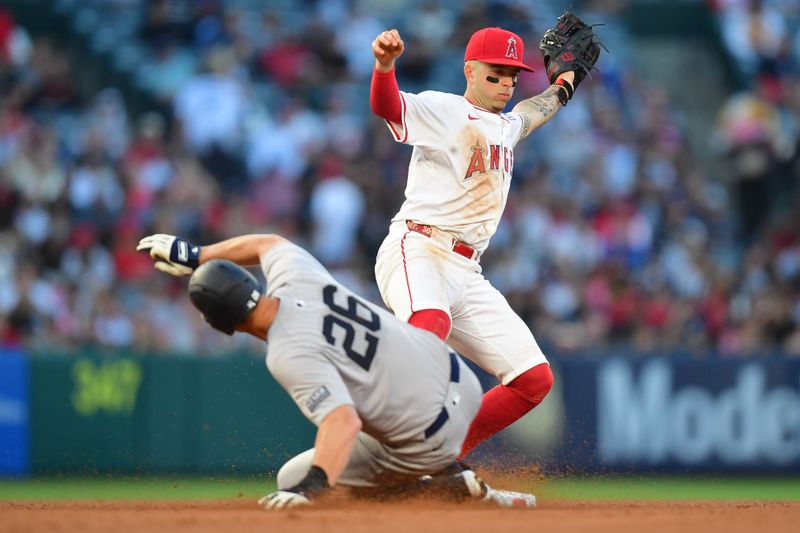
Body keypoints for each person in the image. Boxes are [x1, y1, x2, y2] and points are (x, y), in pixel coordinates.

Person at [136, 232, 537, 508]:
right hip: (462, 382)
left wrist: (310, 488)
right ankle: (451, 475)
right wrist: (196, 255)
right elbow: (268, 243)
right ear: (249, 281)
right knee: (377, 400)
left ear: (221, 326)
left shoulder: (288, 352)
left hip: (431, 438)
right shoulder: (296, 276)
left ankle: (439, 485)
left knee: (293, 476)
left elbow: (342, 422)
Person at [369, 25, 588, 458]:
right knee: (430, 326)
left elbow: (536, 109)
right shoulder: (444, 110)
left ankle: (441, 454)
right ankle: (376, 427)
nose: (505, 82)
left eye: (512, 74)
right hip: (419, 247)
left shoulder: (507, 126)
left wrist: (566, 82)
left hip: (467, 271)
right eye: (495, 73)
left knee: (534, 379)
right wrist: (384, 66)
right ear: (469, 71)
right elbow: (388, 106)